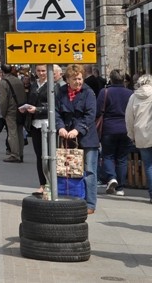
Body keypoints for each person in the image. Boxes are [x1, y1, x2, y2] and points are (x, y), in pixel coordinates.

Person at [56, 63, 99, 214]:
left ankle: (90, 203)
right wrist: (60, 127)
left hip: (87, 137)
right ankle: (71, 197)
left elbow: (90, 115)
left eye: (80, 79)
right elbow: (56, 112)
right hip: (67, 137)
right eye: (75, 79)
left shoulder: (88, 93)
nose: (78, 82)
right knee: (68, 169)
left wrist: (77, 130)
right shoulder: (61, 92)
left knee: (89, 171)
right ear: (68, 79)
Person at [20, 64, 62, 196]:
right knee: (40, 155)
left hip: (49, 123)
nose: (41, 73)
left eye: (43, 70)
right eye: (38, 71)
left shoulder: (54, 86)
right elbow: (31, 99)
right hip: (35, 123)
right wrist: (26, 108)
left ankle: (51, 184)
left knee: (50, 154)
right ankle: (42, 184)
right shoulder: (34, 84)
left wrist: (38, 109)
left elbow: (54, 105)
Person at [97, 69, 134, 196]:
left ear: (111, 79)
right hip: (126, 128)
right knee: (122, 158)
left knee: (107, 155)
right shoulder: (130, 93)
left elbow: (98, 111)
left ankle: (111, 178)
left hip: (109, 128)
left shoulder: (105, 92)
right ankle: (120, 188)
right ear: (123, 79)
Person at [125, 73, 152, 205]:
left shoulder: (133, 97)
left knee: (149, 165)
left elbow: (129, 118)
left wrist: (131, 135)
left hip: (141, 134)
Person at [0, 64, 27, 162]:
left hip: (10, 110)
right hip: (21, 109)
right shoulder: (18, 80)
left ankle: (15, 155)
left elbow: (3, 100)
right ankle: (21, 153)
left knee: (12, 133)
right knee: (19, 132)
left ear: (2, 71)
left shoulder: (3, 83)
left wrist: (3, 112)